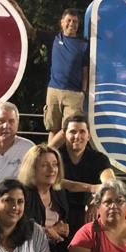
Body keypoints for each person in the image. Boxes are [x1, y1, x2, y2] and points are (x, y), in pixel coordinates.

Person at [19, 144, 72, 252]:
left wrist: (63, 227)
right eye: (45, 165)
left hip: (55, 250)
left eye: (55, 165)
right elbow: (18, 224)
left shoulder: (58, 191)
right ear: (32, 168)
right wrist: (49, 231)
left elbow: (63, 221)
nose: (52, 170)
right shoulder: (23, 193)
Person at [56, 114, 116, 234]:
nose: (77, 136)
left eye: (82, 132)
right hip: (59, 212)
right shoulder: (55, 157)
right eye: (73, 132)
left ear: (88, 136)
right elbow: (55, 181)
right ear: (64, 135)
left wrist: (95, 201)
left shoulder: (99, 159)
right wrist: (91, 188)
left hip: (87, 212)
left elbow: (110, 183)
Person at [45, 8, 88, 150]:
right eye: (69, 20)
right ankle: (51, 159)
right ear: (62, 22)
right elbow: (31, 32)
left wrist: (83, 91)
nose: (72, 24)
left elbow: (85, 70)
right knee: (53, 128)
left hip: (74, 93)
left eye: (75, 21)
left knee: (68, 128)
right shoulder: (54, 38)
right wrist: (20, 13)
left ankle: (46, 152)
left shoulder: (84, 44)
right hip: (53, 90)